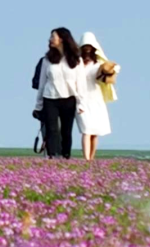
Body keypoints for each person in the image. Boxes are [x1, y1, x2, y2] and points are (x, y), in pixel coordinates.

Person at [35, 27, 82, 159]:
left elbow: (81, 84)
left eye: (52, 37)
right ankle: (53, 156)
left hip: (69, 98)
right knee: (52, 129)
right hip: (50, 98)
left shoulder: (76, 59)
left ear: (61, 39)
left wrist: (81, 103)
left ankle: (65, 156)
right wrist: (38, 105)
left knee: (66, 131)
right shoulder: (47, 60)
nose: (50, 39)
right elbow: (42, 83)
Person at [77, 32, 118, 161]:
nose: (87, 49)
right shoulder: (76, 63)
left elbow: (114, 68)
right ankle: (86, 158)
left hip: (96, 99)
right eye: (85, 47)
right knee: (86, 130)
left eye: (89, 47)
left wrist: (109, 71)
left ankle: (91, 158)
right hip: (81, 99)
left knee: (95, 132)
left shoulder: (99, 64)